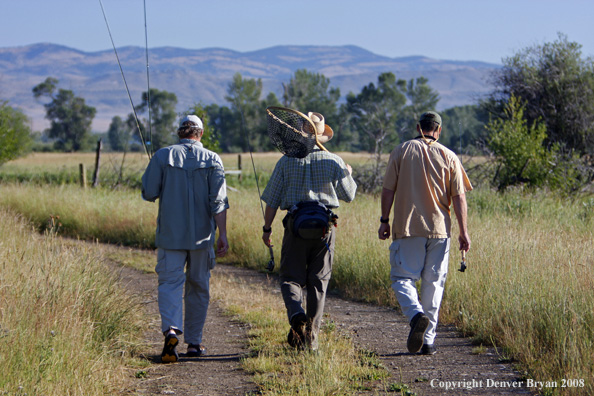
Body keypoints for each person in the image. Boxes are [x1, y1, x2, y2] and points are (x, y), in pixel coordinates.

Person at [261, 112, 357, 350]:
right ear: (322, 136)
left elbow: (272, 200)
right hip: (325, 229)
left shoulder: (285, 161)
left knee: (290, 278)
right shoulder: (333, 160)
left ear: (301, 132)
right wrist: (348, 172)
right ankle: (311, 339)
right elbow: (349, 195)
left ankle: (296, 314)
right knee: (318, 282)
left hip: (295, 226)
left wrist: (267, 228)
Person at [378, 111, 472, 355]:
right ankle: (428, 341)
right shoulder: (450, 156)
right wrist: (463, 231)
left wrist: (384, 220)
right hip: (440, 230)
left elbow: (388, 190)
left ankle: (415, 315)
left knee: (402, 278)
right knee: (434, 285)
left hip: (408, 228)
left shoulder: (401, 150)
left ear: (419, 127)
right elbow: (459, 197)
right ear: (438, 130)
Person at [141, 115, 229, 363]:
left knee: (169, 284)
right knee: (199, 287)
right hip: (203, 238)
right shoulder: (213, 159)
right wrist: (223, 235)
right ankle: (194, 342)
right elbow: (219, 202)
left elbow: (149, 193)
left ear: (180, 133)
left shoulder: (162, 156)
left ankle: (170, 330)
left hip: (170, 237)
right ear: (200, 134)